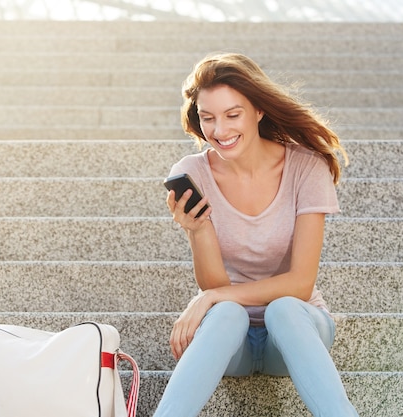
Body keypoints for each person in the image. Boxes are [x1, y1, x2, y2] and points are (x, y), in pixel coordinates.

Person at [154, 52, 358, 417]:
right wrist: (198, 231)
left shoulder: (306, 167)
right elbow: (214, 284)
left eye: (233, 115)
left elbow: (300, 284)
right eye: (208, 118)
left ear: (258, 111)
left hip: (298, 327)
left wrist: (212, 296)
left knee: (283, 309)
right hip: (232, 339)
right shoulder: (193, 173)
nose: (220, 131)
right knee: (228, 313)